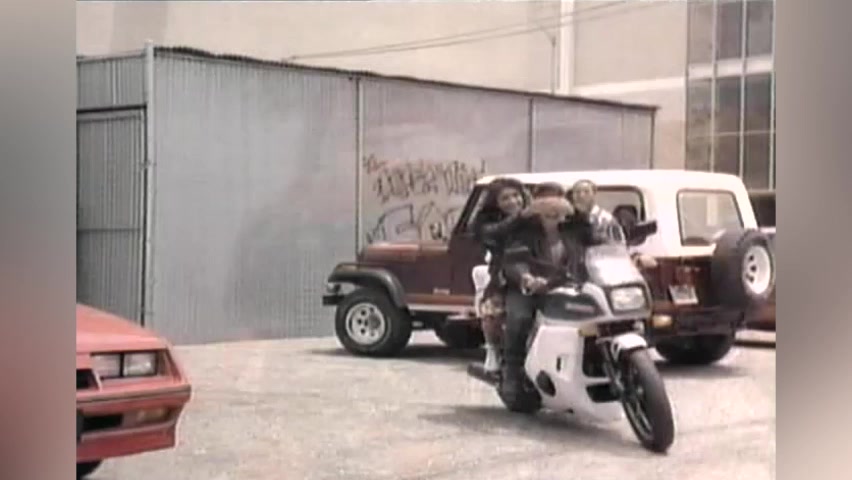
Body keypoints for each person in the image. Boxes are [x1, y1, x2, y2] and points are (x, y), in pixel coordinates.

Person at [498, 194, 597, 406]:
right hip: (530, 289)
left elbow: (601, 245)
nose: (557, 219)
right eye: (550, 215)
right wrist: (526, 277)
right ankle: (511, 372)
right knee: (521, 317)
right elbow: (514, 259)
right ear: (539, 216)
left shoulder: (575, 233)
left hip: (565, 286)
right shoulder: (525, 234)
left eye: (561, 214)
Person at [471, 177, 531, 373]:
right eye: (505, 198)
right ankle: (494, 350)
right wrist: (521, 216)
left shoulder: (533, 218)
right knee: (495, 308)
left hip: (537, 270)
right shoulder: (487, 223)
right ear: (495, 203)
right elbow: (495, 232)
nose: (513, 201)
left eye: (516, 195)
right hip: (504, 274)